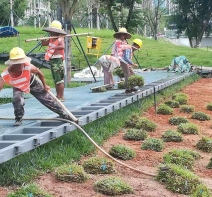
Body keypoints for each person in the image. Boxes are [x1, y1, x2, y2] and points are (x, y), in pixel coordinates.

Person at [0, 47, 74, 126]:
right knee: (17, 99)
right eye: (18, 63)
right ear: (12, 63)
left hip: (32, 82)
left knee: (47, 99)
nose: (21, 65)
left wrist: (45, 85)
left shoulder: (28, 66)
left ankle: (64, 114)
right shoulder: (5, 74)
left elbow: (39, 72)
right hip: (18, 86)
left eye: (22, 62)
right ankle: (18, 118)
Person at [41, 20, 66, 102]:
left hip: (58, 60)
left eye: (53, 31)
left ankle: (61, 96)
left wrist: (54, 47)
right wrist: (42, 40)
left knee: (59, 80)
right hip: (52, 60)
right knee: (56, 79)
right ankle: (57, 95)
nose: (51, 33)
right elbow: (44, 44)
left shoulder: (60, 39)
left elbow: (62, 46)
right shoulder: (51, 39)